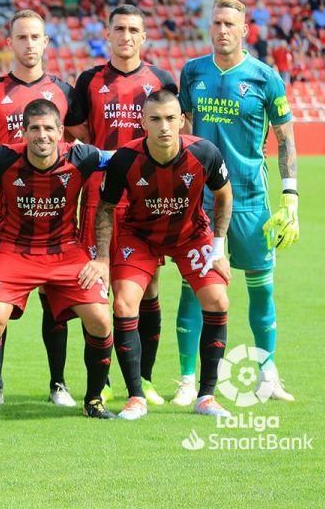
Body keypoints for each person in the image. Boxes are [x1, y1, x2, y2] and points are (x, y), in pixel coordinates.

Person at [175, 0, 299, 405]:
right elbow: (184, 131)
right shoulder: (193, 72)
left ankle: (268, 373)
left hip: (251, 202)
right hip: (202, 204)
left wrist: (290, 196)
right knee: (193, 290)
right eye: (216, 23)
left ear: (245, 29)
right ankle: (187, 381)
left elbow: (285, 139)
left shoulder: (265, 77)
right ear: (208, 27)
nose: (222, 29)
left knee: (261, 291)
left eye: (230, 23)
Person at [0, 99, 116, 424]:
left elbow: (125, 160)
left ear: (62, 132)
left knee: (101, 320)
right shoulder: (2, 158)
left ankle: (94, 399)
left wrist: (101, 259)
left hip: (65, 252)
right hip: (14, 251)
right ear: (24, 131)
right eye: (35, 128)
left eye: (49, 128)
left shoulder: (82, 156)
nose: (42, 135)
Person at [82, 90, 233, 419]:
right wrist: (104, 260)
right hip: (139, 236)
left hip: (190, 235)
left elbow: (223, 196)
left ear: (182, 120)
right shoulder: (125, 158)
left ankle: (206, 396)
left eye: (170, 118)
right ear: (143, 123)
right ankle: (136, 396)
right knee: (122, 304)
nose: (164, 126)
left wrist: (219, 248)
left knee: (218, 300)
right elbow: (106, 208)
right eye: (155, 119)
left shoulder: (205, 153)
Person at [0, 9, 75, 409]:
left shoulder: (64, 91)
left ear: (46, 42)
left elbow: (80, 143)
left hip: (56, 211)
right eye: (21, 38)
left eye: (36, 37)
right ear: (10, 44)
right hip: (4, 212)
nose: (29, 44)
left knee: (54, 297)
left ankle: (58, 382)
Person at [65, 4, 178, 406]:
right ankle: (104, 377)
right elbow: (78, 136)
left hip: (148, 197)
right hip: (100, 197)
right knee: (95, 288)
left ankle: (143, 377)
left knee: (147, 287)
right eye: (119, 29)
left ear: (143, 37)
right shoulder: (89, 80)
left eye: (133, 29)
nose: (126, 36)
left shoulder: (161, 80)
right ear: (107, 34)